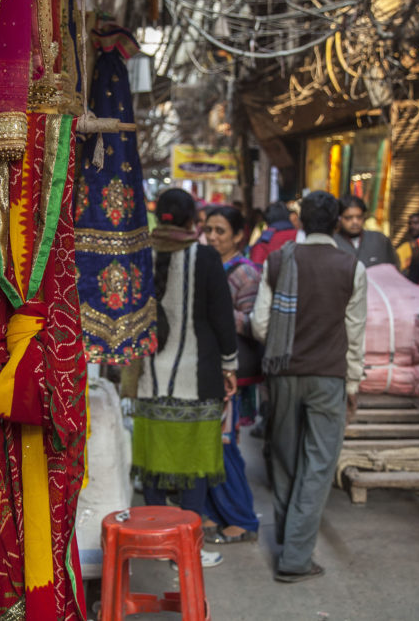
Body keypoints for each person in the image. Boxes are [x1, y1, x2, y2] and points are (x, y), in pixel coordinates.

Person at [251, 191, 367, 583]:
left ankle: (289, 541)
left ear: (300, 223)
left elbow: (260, 325)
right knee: (319, 464)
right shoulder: (351, 266)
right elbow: (355, 332)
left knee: (284, 460)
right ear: (336, 224)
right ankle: (296, 557)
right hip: (329, 377)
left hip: (283, 374)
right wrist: (352, 383)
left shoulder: (278, 261)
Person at [134, 188, 238, 569]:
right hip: (200, 375)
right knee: (194, 464)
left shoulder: (138, 253)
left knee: (154, 463)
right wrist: (230, 366)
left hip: (148, 376)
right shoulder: (207, 257)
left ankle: (155, 543)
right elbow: (223, 320)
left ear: (157, 215)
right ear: (193, 219)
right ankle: (185, 552)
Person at [202, 206, 262, 544]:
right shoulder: (212, 265)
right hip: (212, 369)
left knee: (225, 444)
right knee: (211, 442)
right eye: (208, 229)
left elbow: (253, 322)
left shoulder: (245, 274)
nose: (212, 237)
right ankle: (215, 512)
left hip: (231, 373)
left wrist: (214, 311)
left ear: (238, 235)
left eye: (220, 231)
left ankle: (241, 517)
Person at [334, 195, 399, 267]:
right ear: (339, 218)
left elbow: (393, 269)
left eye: (359, 217)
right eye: (349, 218)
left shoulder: (379, 240)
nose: (355, 222)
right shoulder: (332, 242)